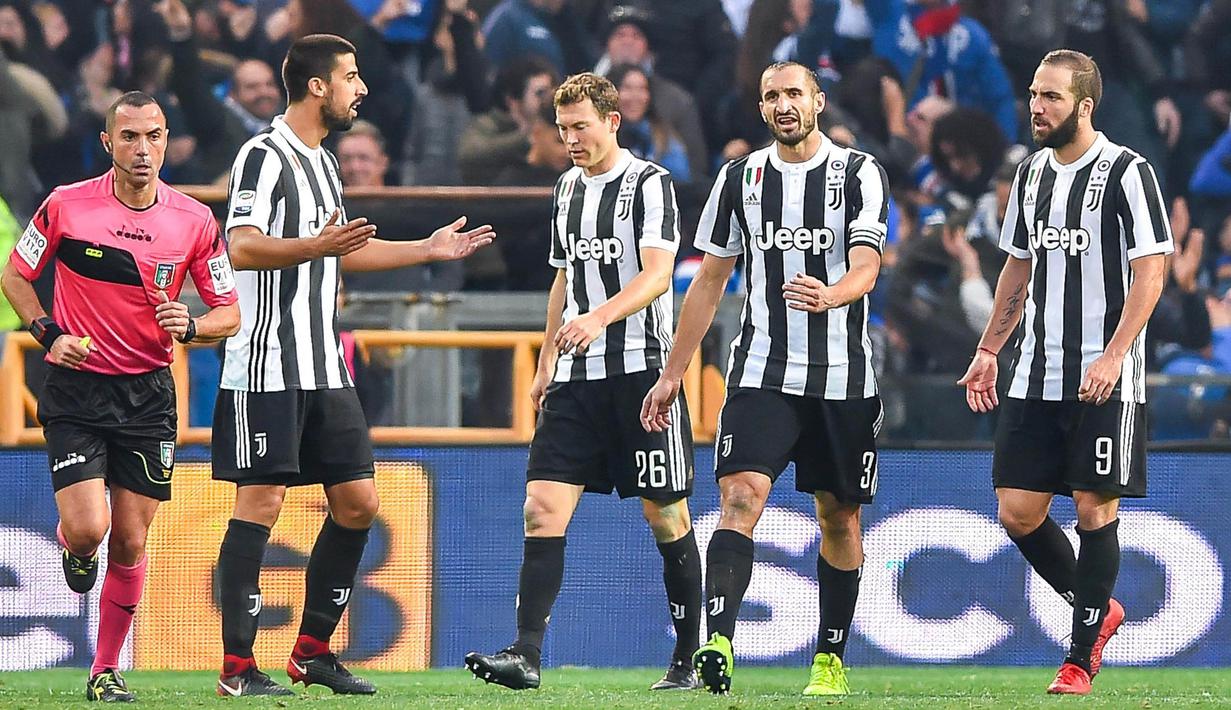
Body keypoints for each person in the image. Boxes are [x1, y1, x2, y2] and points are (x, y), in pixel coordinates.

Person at [210, 34, 494, 697]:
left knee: (359, 503)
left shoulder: (324, 163)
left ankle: (311, 652)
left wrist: (426, 249)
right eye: (351, 76)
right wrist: (316, 245)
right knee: (262, 502)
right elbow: (241, 246)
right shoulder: (264, 154)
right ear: (318, 86)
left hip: (324, 364)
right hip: (268, 363)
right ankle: (236, 668)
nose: (360, 88)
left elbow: (341, 251)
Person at [642, 61, 889, 696]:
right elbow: (710, 280)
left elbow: (867, 265)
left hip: (842, 378)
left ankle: (829, 659)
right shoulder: (740, 178)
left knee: (839, 518)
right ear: (761, 108)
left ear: (818, 101)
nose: (783, 105)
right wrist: (673, 373)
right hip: (761, 371)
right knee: (740, 497)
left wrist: (832, 295)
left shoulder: (858, 172)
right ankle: (719, 642)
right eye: (771, 96)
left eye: (794, 94)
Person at [464, 72, 702, 692]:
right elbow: (565, 279)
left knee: (666, 514)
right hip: (576, 377)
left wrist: (598, 319)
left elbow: (658, 274)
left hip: (641, 374)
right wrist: (546, 360)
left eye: (580, 127)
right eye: (562, 128)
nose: (570, 139)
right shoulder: (566, 188)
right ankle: (526, 654)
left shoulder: (649, 183)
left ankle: (687, 658)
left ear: (612, 122)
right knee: (541, 507)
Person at [0, 91, 240, 702]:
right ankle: (74, 547)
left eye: (153, 136)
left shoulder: (194, 221)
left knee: (131, 541)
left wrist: (193, 324)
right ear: (108, 143)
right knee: (90, 530)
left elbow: (229, 311)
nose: (142, 149)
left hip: (149, 394)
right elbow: (15, 275)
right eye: (129, 136)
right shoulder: (66, 205)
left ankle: (104, 670)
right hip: (77, 389)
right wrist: (49, 334)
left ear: (166, 142)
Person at [957, 49, 1174, 696]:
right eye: (1033, 94)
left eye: (1050, 97)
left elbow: (1151, 273)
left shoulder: (1127, 172)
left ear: (1084, 105)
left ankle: (1078, 659)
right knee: (1016, 511)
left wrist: (1114, 353)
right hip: (1035, 370)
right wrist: (988, 350)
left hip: (1105, 376)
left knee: (1092, 505)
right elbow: (1017, 267)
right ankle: (1097, 606)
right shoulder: (1029, 174)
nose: (1036, 107)